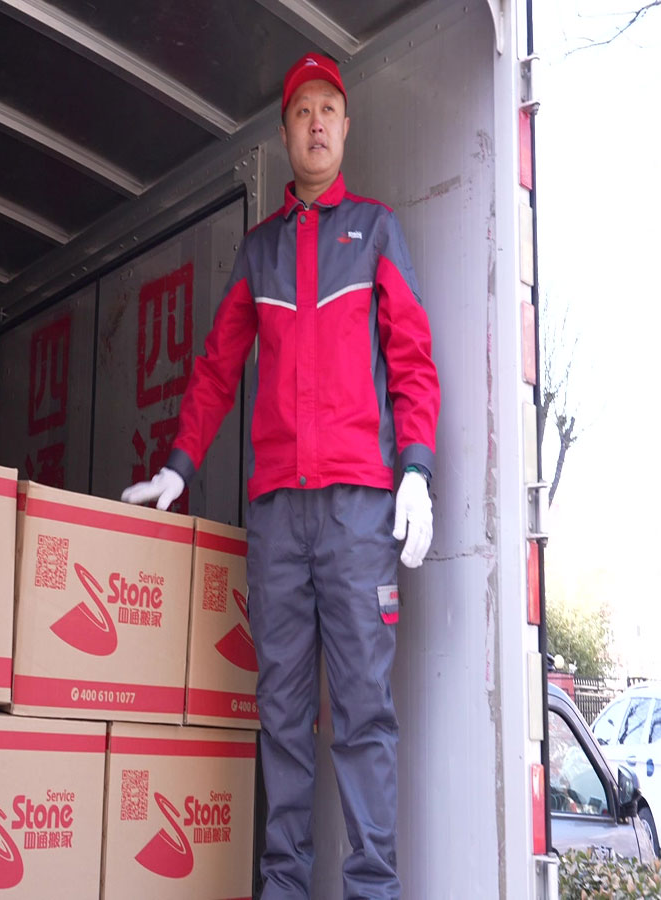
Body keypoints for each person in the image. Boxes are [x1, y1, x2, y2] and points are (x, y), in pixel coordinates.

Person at [122, 52, 440, 899]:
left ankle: (372, 890)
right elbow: (216, 366)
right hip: (277, 521)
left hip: (359, 514)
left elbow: (413, 362)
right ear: (286, 132)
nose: (316, 123)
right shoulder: (259, 253)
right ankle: (285, 888)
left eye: (329, 108)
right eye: (302, 111)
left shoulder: (375, 232)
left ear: (346, 127)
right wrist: (178, 465)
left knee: (364, 715)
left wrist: (415, 470)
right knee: (284, 718)